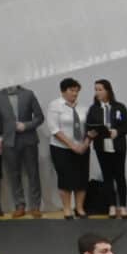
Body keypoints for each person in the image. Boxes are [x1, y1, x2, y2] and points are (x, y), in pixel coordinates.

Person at [86, 79, 127, 217]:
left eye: (100, 89)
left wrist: (117, 132)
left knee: (120, 176)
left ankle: (123, 206)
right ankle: (111, 206)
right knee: (107, 177)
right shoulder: (93, 109)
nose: (97, 92)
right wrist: (90, 133)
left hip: (118, 147)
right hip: (101, 147)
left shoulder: (119, 107)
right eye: (96, 89)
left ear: (108, 90)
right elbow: (88, 126)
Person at [46, 78, 90, 220]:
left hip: (82, 148)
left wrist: (84, 144)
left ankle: (80, 208)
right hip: (61, 148)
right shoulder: (55, 105)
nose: (75, 94)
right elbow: (54, 129)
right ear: (63, 91)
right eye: (72, 90)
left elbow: (89, 128)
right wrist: (72, 146)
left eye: (77, 91)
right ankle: (67, 209)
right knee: (65, 178)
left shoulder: (83, 107)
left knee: (82, 178)